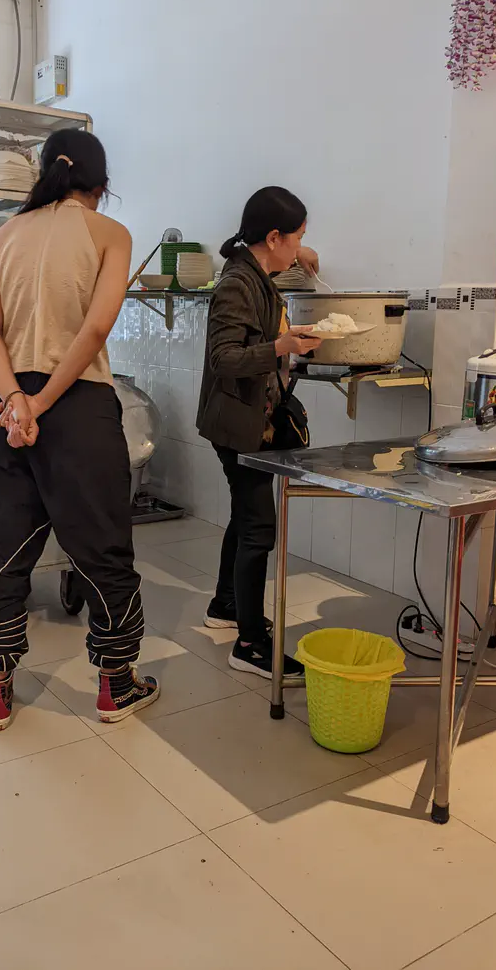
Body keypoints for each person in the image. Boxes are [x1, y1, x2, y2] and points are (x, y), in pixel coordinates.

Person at [0, 129, 158, 731]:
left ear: (45, 175)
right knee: (101, 547)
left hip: (8, 410)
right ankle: (114, 685)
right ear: (100, 185)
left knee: (2, 550)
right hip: (76, 405)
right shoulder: (111, 234)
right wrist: (46, 401)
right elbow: (97, 329)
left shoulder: (5, 235)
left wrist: (17, 402)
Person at [196, 186, 321, 681]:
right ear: (272, 236)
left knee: (246, 517)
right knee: (259, 529)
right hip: (238, 423)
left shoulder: (257, 270)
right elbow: (223, 359)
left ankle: (227, 605)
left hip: (250, 418)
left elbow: (296, 260)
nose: (300, 248)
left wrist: (306, 253)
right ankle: (248, 644)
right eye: (296, 238)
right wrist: (282, 345)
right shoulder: (237, 284)